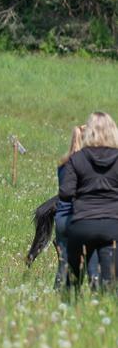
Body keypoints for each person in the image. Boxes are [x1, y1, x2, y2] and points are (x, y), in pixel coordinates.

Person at [59, 111, 118, 293]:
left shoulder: (77, 158)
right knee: (109, 285)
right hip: (113, 226)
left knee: (72, 280)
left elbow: (66, 193)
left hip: (83, 224)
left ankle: (69, 306)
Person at [54, 125, 99, 288]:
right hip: (84, 218)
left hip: (62, 220)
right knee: (94, 266)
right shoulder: (88, 165)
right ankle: (98, 295)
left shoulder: (63, 164)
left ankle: (61, 296)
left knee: (64, 266)